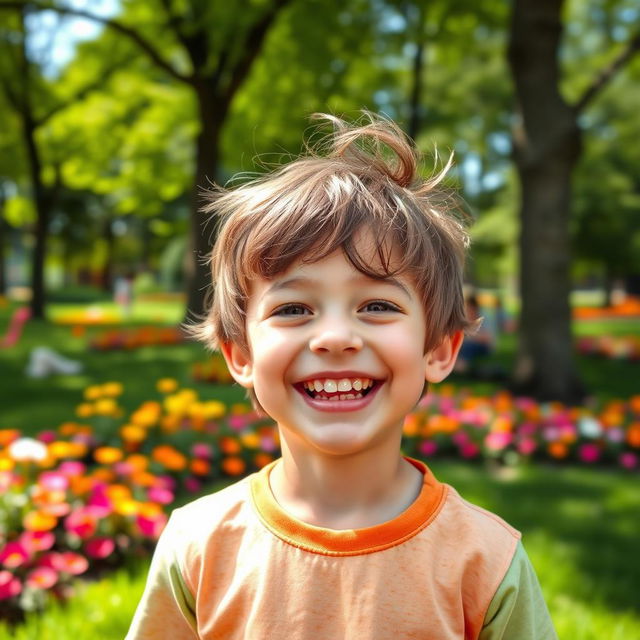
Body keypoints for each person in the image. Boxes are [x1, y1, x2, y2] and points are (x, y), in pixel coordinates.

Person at [126, 114, 556, 639]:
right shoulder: (198, 545)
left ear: (439, 350)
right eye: (292, 309)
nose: (334, 337)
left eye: (376, 304)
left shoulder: (485, 561)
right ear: (239, 355)